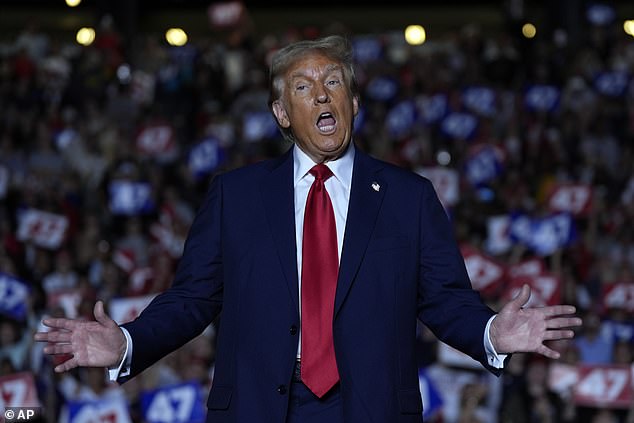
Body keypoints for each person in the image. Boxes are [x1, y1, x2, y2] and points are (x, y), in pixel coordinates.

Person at [35, 35, 581, 423]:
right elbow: (192, 300)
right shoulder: (235, 195)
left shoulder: (409, 197)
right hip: (259, 406)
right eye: (303, 86)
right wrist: (128, 342)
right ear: (280, 112)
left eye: (333, 82)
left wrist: (490, 334)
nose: (321, 94)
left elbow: (443, 300)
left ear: (354, 103)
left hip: (369, 407)